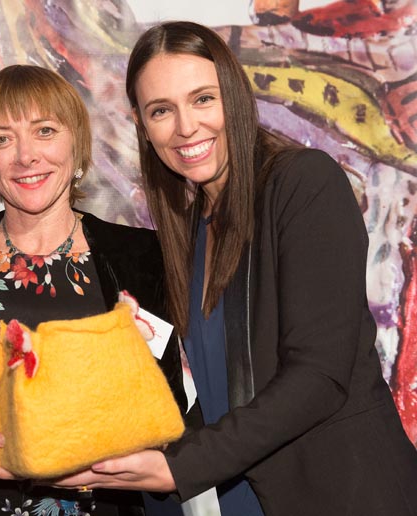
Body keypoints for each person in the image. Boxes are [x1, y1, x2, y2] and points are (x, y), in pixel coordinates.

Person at [53, 20, 417, 516]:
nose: (186, 127)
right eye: (162, 110)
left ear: (236, 97)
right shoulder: (192, 229)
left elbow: (318, 376)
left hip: (346, 495)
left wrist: (178, 468)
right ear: (142, 124)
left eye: (203, 99)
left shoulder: (303, 184)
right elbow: (219, 396)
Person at [0, 64, 187, 516]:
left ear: (76, 143)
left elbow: (168, 404)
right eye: (1, 138)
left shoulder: (142, 257)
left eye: (45, 131)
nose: (26, 156)